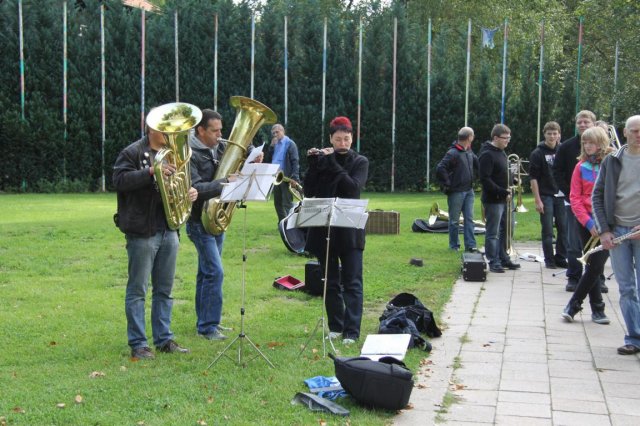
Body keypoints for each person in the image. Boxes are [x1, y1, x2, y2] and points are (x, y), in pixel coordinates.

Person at [113, 123, 196, 359]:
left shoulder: (175, 154)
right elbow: (119, 180)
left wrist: (189, 193)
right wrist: (150, 172)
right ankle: (138, 344)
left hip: (169, 228)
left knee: (164, 290)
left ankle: (164, 339)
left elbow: (180, 182)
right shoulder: (132, 152)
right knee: (138, 290)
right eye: (165, 130)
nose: (171, 135)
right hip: (142, 230)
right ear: (151, 129)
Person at [303, 116, 369, 345]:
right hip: (324, 227)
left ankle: (352, 331)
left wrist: (332, 162)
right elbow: (309, 192)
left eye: (347, 139)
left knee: (352, 281)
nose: (342, 143)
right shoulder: (323, 160)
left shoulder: (360, 161)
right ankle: (335, 326)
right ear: (330, 139)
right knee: (329, 280)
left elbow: (351, 188)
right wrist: (313, 164)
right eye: (338, 139)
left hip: (349, 229)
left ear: (352, 139)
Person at [592, 115, 640, 355]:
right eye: (634, 131)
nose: (638, 135)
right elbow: (597, 196)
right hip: (618, 230)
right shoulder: (612, 161)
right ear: (625, 132)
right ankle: (634, 336)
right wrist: (605, 230)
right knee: (627, 287)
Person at [186, 109, 231, 341]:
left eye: (221, 130)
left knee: (206, 273)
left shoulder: (220, 147)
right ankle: (208, 327)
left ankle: (206, 323)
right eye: (215, 131)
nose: (220, 135)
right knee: (214, 271)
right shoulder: (189, 154)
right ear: (200, 130)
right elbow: (196, 188)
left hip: (217, 218)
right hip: (198, 220)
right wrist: (225, 183)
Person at [561, 126, 611, 324]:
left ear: (601, 143)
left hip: (607, 223)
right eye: (585, 143)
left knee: (595, 266)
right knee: (594, 265)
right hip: (586, 223)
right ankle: (597, 310)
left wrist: (605, 223)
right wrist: (589, 223)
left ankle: (574, 305)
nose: (588, 146)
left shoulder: (611, 164)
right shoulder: (580, 167)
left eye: (592, 142)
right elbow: (575, 198)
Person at [553, 110, 596, 292]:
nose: (583, 125)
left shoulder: (603, 149)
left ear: (593, 124)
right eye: (580, 122)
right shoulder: (566, 147)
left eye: (586, 122)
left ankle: (596, 277)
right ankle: (573, 277)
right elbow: (558, 172)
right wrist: (572, 193)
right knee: (573, 242)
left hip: (597, 205)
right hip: (573, 202)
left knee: (597, 243)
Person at [478, 124, 521, 273]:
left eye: (509, 138)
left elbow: (503, 173)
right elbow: (485, 179)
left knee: (508, 230)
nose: (508, 141)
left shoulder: (501, 153)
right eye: (505, 138)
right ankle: (493, 260)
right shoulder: (487, 154)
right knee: (493, 232)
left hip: (506, 198)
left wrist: (513, 181)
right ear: (495, 138)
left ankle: (503, 257)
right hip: (494, 199)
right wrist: (502, 191)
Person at [529, 121, 568, 269]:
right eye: (549, 133)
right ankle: (549, 259)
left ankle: (561, 257)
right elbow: (533, 178)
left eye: (555, 133)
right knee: (548, 230)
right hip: (546, 195)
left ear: (559, 134)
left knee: (564, 229)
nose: (552, 136)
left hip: (562, 195)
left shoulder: (563, 150)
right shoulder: (537, 153)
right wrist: (537, 199)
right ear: (544, 134)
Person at [435, 127, 479, 252]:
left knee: (469, 219)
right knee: (454, 221)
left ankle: (470, 245)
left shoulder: (469, 151)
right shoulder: (453, 153)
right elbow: (440, 168)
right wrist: (448, 183)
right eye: (473, 136)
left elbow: (478, 163)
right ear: (469, 137)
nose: (473, 138)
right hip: (457, 192)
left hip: (469, 191)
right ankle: (454, 246)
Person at [266, 124, 300, 222]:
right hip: (275, 177)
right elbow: (269, 159)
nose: (275, 135)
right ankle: (283, 223)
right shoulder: (274, 145)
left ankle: (292, 223)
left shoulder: (290, 143)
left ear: (283, 131)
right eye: (273, 133)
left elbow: (295, 161)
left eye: (277, 132)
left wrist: (294, 177)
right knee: (277, 203)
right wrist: (271, 147)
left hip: (286, 177)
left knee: (287, 203)